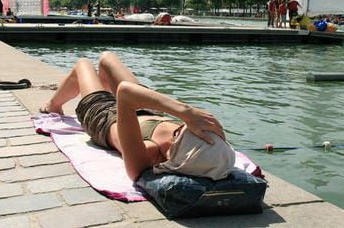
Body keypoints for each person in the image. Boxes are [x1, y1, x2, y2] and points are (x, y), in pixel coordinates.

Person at [39, 51, 234, 182]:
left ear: (173, 153)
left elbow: (125, 92)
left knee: (83, 65)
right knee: (107, 58)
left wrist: (184, 111)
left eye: (180, 133)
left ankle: (53, 105)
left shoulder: (147, 155)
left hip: (105, 117)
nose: (181, 127)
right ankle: (100, 86)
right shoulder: (198, 150)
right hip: (145, 111)